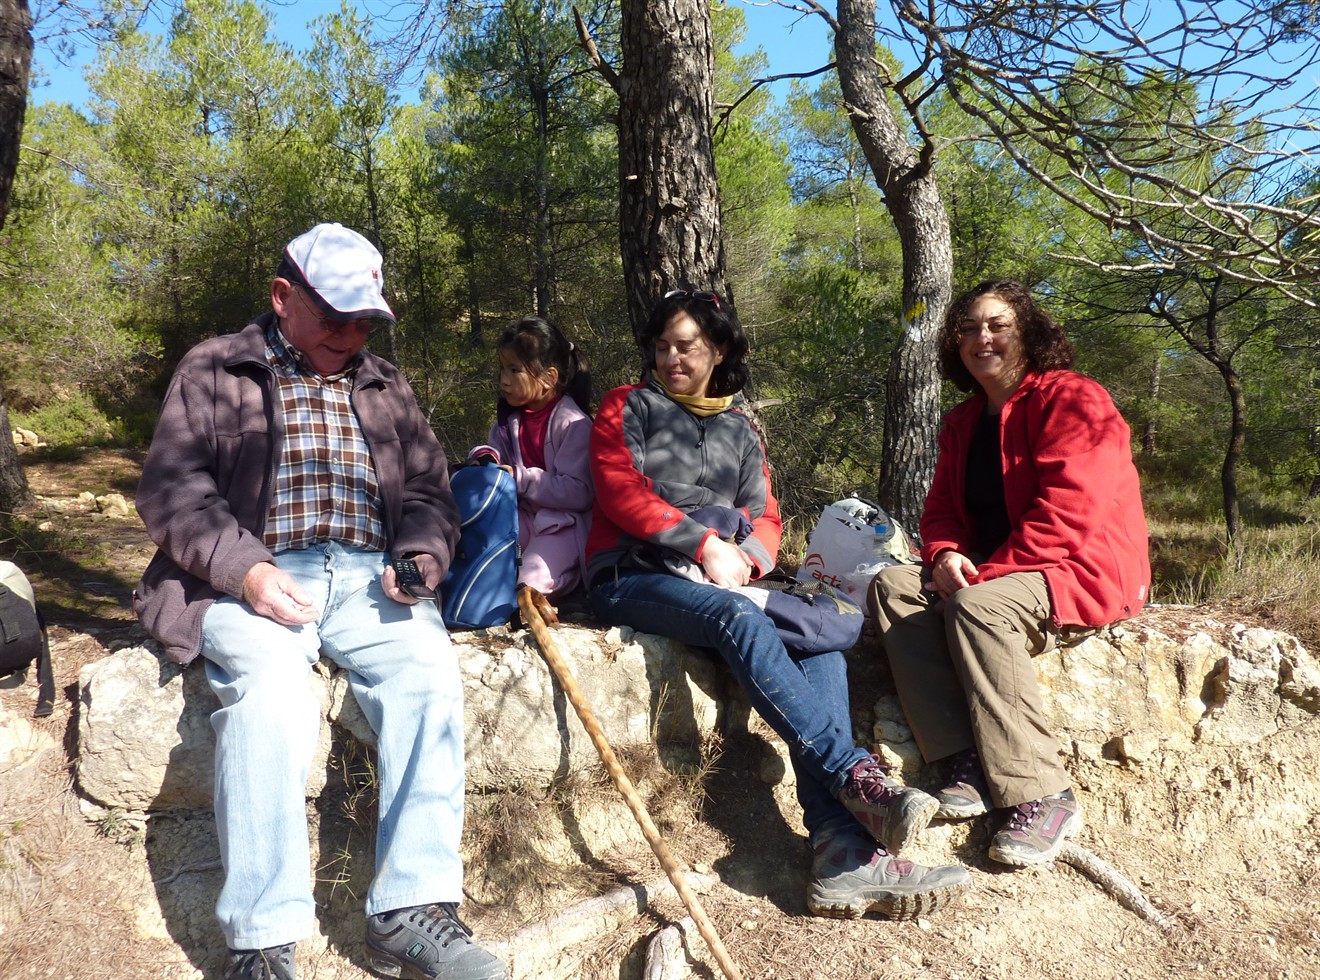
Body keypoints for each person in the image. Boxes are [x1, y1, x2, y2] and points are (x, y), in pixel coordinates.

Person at [133, 223, 507, 980]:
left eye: (365, 319)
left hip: (372, 577)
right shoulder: (217, 367)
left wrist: (422, 555)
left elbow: (430, 491)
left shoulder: (385, 383)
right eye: (335, 316)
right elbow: (174, 490)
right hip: (258, 568)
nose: (352, 333)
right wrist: (246, 571)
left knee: (430, 676)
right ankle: (263, 942)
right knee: (271, 691)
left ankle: (410, 911)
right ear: (283, 296)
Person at [586, 288, 971, 920]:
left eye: (686, 346)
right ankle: (853, 776)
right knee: (738, 615)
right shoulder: (627, 405)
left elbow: (766, 516)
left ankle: (842, 852)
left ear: (719, 350)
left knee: (818, 644)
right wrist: (704, 545)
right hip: (630, 573)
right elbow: (617, 489)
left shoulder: (740, 428)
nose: (671, 358)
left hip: (723, 579)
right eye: (661, 346)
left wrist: (748, 559)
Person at [869, 279, 1150, 868]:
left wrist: (978, 578)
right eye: (968, 328)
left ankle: (1043, 793)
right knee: (893, 587)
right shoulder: (963, 421)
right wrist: (945, 555)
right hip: (998, 570)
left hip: (1077, 567)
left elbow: (1069, 515)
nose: (982, 338)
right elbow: (941, 510)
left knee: (977, 607)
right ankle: (966, 760)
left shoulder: (1073, 399)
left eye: (998, 325)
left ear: (1028, 334)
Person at [474, 316, 593, 601]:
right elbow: (497, 457)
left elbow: (580, 492)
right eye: (502, 369)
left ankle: (573, 577)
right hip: (521, 518)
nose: (504, 380)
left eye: (515, 370)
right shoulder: (508, 420)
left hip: (562, 525)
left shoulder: (573, 423)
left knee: (526, 584)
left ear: (549, 378)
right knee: (484, 567)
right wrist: (484, 458)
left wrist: (522, 479)